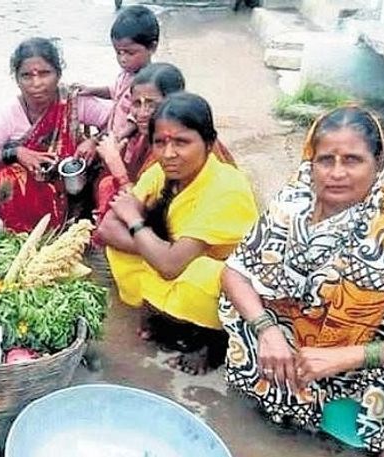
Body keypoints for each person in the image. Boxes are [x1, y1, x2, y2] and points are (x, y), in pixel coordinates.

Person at [219, 106, 384, 455]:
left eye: (353, 160)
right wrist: (267, 330)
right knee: (248, 315)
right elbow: (234, 271)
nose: (337, 173)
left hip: (372, 354)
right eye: (326, 159)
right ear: (310, 162)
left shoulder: (383, 226)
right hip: (299, 336)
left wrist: (348, 357)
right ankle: (291, 403)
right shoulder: (292, 205)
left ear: (378, 164)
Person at [98, 92, 258, 374]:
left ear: (208, 143)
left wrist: (138, 224)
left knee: (203, 273)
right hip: (175, 256)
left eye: (182, 142)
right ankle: (165, 315)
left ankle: (214, 341)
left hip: (226, 280)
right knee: (120, 248)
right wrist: (160, 247)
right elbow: (108, 227)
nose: (169, 153)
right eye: (160, 142)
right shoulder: (163, 171)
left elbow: (170, 266)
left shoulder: (228, 188)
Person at [0, 37, 111, 233]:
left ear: (58, 74)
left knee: (110, 162)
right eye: (27, 75)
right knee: (4, 177)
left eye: (45, 73)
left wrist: (94, 141)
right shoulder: (10, 113)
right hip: (36, 190)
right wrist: (16, 153)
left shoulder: (71, 101)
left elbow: (116, 122)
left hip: (76, 183)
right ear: (17, 80)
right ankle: (26, 232)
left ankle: (92, 223)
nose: (36, 83)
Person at [94, 63, 236, 219]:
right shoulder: (150, 132)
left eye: (151, 104)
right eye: (136, 104)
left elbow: (144, 213)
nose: (141, 113)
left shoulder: (178, 146)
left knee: (108, 187)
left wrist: (116, 166)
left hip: (196, 217)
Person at [80, 5, 159, 142]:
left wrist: (115, 139)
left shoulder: (149, 83)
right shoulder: (126, 74)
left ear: (152, 47)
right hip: (114, 133)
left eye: (130, 53)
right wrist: (91, 90)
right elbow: (114, 91)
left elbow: (135, 120)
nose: (123, 59)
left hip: (127, 142)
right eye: (118, 52)